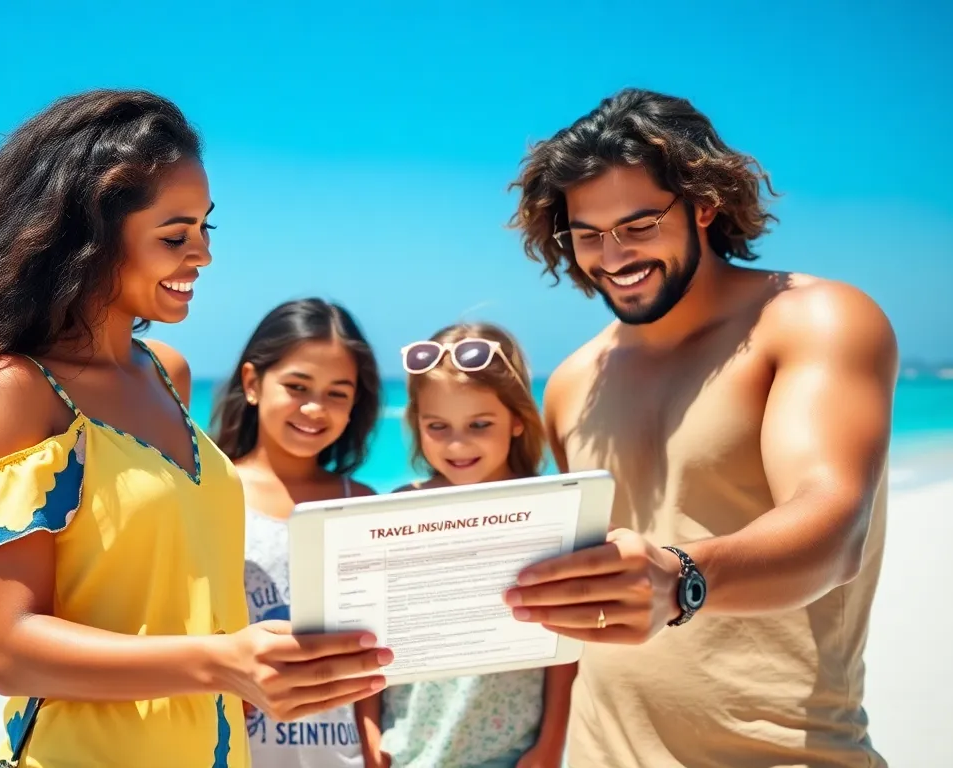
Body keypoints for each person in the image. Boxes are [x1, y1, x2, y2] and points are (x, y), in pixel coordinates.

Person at [0, 90, 391, 768]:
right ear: (90, 237)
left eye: (204, 230)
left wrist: (261, 665)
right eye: (174, 236)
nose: (202, 257)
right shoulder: (15, 389)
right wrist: (220, 661)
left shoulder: (168, 373)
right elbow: (9, 652)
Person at [504, 87, 897, 767]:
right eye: (588, 234)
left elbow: (835, 530)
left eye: (638, 224)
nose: (613, 255)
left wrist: (682, 579)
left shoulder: (812, 318)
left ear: (704, 204)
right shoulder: (572, 383)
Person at [360, 322, 575, 768]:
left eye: (480, 423)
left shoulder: (545, 508)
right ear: (417, 423)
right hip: (404, 749)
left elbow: (562, 642)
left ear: (517, 419)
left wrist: (551, 745)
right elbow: (368, 633)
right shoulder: (398, 511)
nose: (458, 444)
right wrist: (370, 737)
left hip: (512, 753)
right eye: (438, 426)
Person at [211, 298, 386, 768]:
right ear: (253, 383)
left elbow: (372, 645)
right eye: (297, 386)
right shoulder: (211, 492)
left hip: (339, 753)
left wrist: (372, 746)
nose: (314, 407)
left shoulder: (362, 502)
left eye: (338, 393)